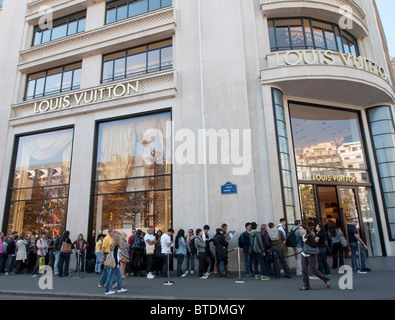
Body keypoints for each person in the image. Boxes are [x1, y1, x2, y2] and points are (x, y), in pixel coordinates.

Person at [299, 224, 330, 290]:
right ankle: (306, 285)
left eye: (301, 229)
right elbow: (302, 244)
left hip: (311, 254)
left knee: (313, 270)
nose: (300, 230)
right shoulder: (301, 236)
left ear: (305, 229)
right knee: (304, 270)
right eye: (300, 229)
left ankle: (325, 279)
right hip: (304, 253)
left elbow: (314, 245)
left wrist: (306, 241)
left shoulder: (309, 236)